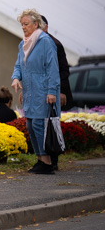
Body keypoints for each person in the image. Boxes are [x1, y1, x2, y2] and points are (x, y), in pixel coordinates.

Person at [11, 9, 60, 175]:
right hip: (30, 91)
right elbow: (19, 64)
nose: (23, 27)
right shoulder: (23, 43)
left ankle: (47, 162)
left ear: (36, 24)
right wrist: (16, 78)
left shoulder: (45, 41)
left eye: (26, 24)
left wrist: (52, 91)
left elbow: (53, 68)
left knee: (40, 125)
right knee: (31, 125)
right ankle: (40, 159)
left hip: (43, 90)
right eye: (22, 25)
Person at [40, 15, 73, 171]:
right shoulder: (34, 43)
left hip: (54, 90)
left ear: (46, 27)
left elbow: (63, 70)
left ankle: (53, 160)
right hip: (42, 91)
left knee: (51, 124)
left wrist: (62, 92)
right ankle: (45, 159)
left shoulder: (54, 44)